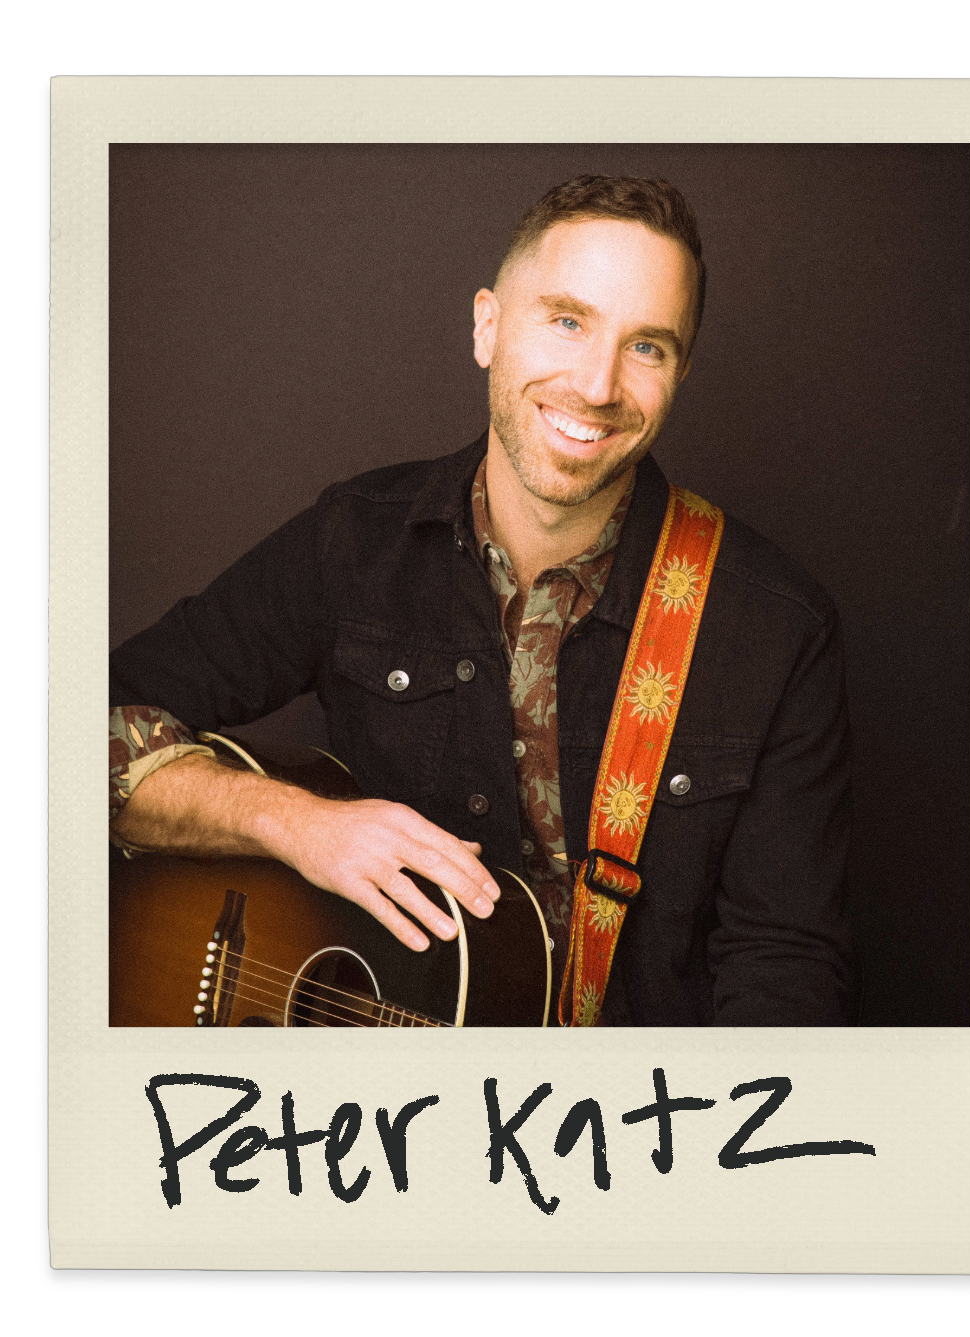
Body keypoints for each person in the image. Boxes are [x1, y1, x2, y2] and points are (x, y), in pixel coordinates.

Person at [109, 175, 854, 1026]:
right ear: (488, 327)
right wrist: (288, 821)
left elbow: (786, 976)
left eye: (647, 347)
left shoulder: (774, 627)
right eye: (567, 321)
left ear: (680, 373)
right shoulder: (354, 542)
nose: (599, 384)